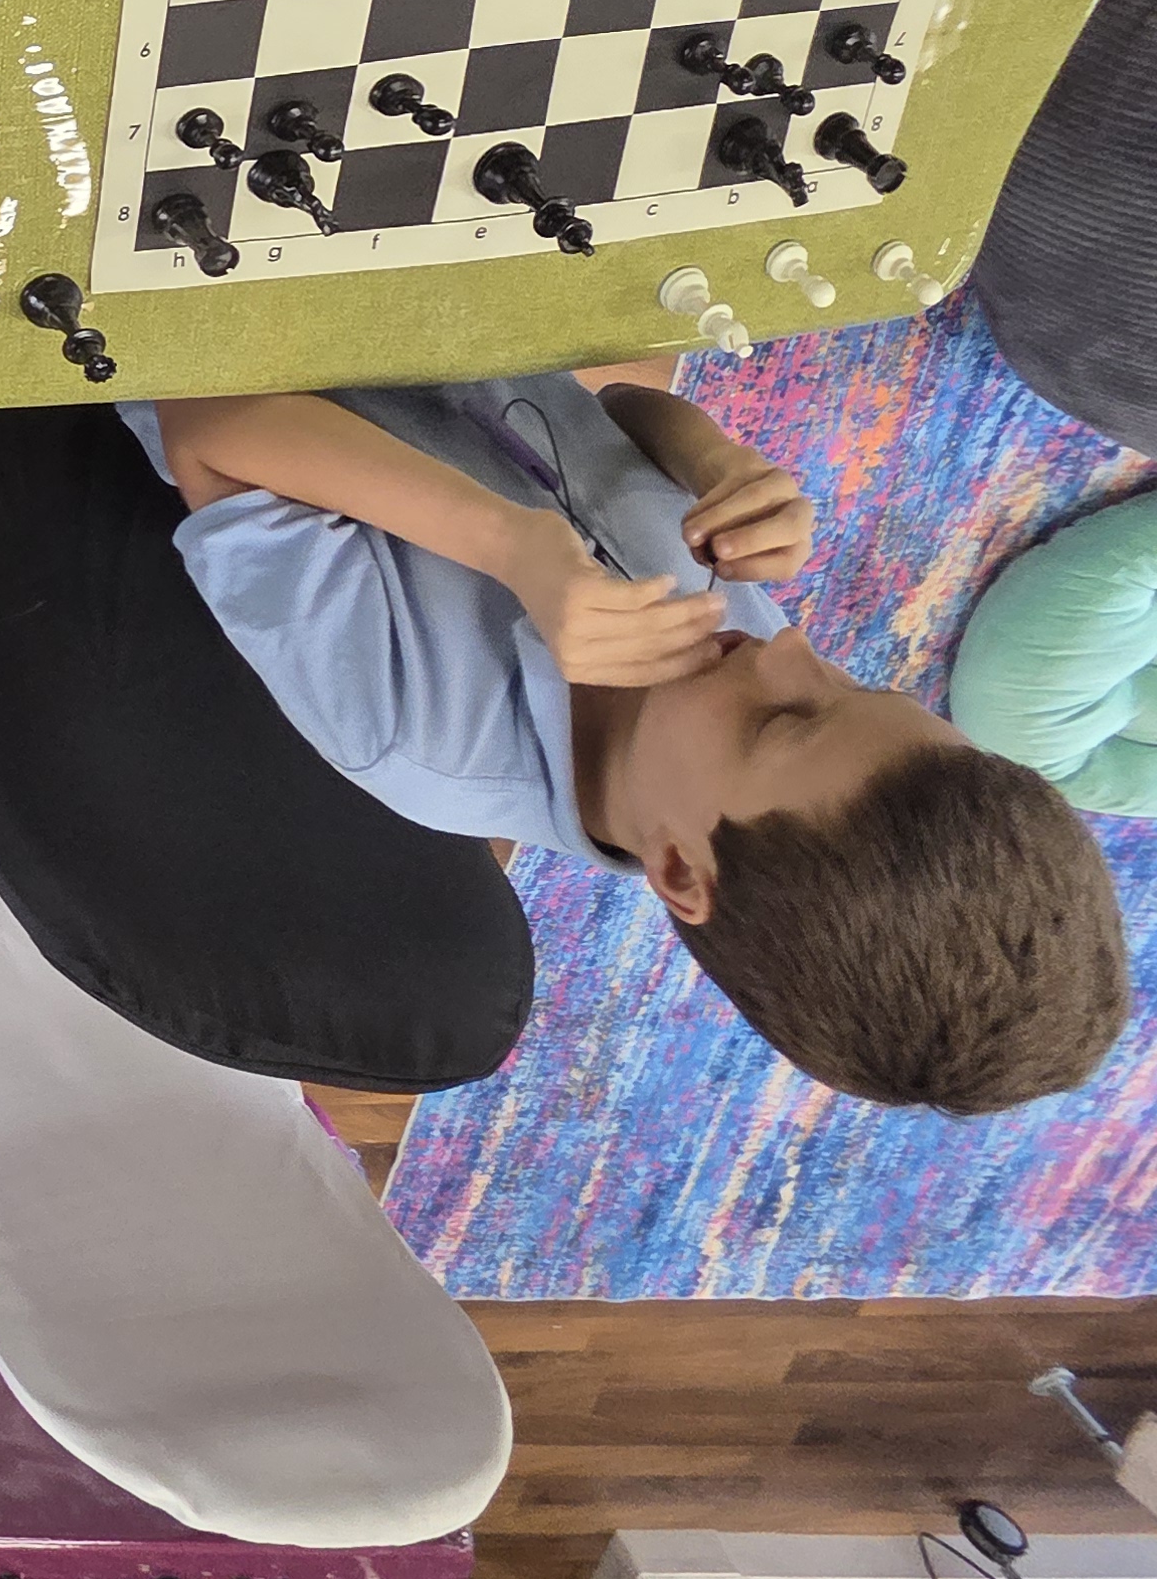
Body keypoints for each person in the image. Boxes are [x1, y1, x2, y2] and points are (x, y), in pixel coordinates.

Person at [125, 369, 1131, 1111]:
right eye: (849, 679)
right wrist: (716, 463)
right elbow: (611, 413)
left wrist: (501, 544)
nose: (782, 649)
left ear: (680, 870)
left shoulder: (412, 731)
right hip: (439, 301)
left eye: (786, 719)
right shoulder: (737, 678)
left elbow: (207, 419)